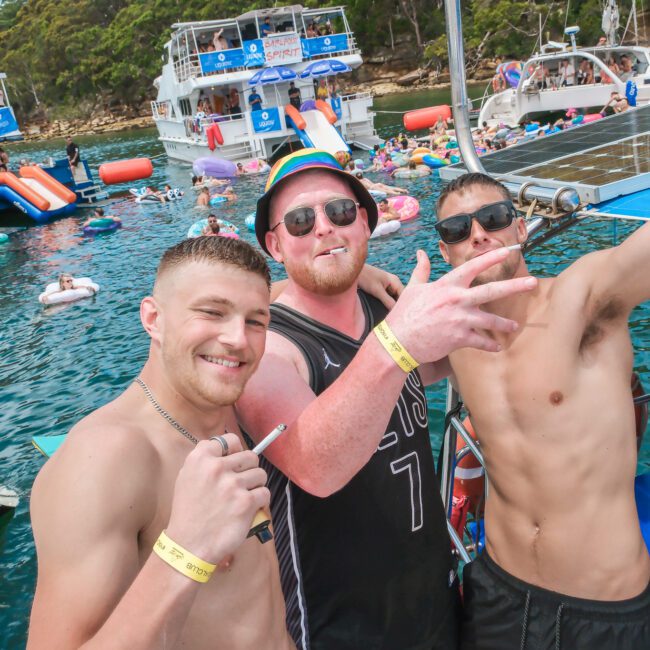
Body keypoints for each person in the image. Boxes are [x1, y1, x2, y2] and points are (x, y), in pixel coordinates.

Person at [235, 148, 538, 650]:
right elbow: (317, 465)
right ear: (275, 244)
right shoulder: (268, 347)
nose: (324, 229)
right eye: (300, 221)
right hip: (343, 628)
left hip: (437, 604)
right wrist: (398, 342)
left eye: (340, 213)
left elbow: (478, 339)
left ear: (364, 225)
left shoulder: (386, 305)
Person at [28, 237, 295, 650]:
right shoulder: (106, 459)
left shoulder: (217, 404)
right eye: (212, 312)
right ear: (153, 318)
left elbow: (251, 299)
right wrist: (186, 550)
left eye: (256, 322)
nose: (238, 339)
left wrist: (352, 273)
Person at [434, 172, 650, 650]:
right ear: (445, 252)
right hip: (498, 591)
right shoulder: (451, 334)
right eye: (456, 230)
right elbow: (310, 311)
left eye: (493, 217)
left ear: (521, 228)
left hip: (602, 607)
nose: (477, 234)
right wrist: (364, 273)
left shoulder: (583, 299)